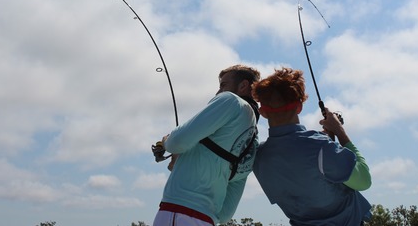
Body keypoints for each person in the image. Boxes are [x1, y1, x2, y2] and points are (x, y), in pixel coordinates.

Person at [252, 67, 372, 225]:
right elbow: (363, 180)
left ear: (263, 112)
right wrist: (339, 132)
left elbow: (306, 175)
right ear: (299, 107)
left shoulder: (259, 158)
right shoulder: (321, 147)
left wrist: (327, 139)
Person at [153, 64, 261, 226]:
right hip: (207, 220)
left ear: (243, 86)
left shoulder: (230, 100)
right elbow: (225, 214)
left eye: (223, 85)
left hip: (177, 212)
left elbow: (177, 142)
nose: (218, 92)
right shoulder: (253, 142)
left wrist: (166, 141)